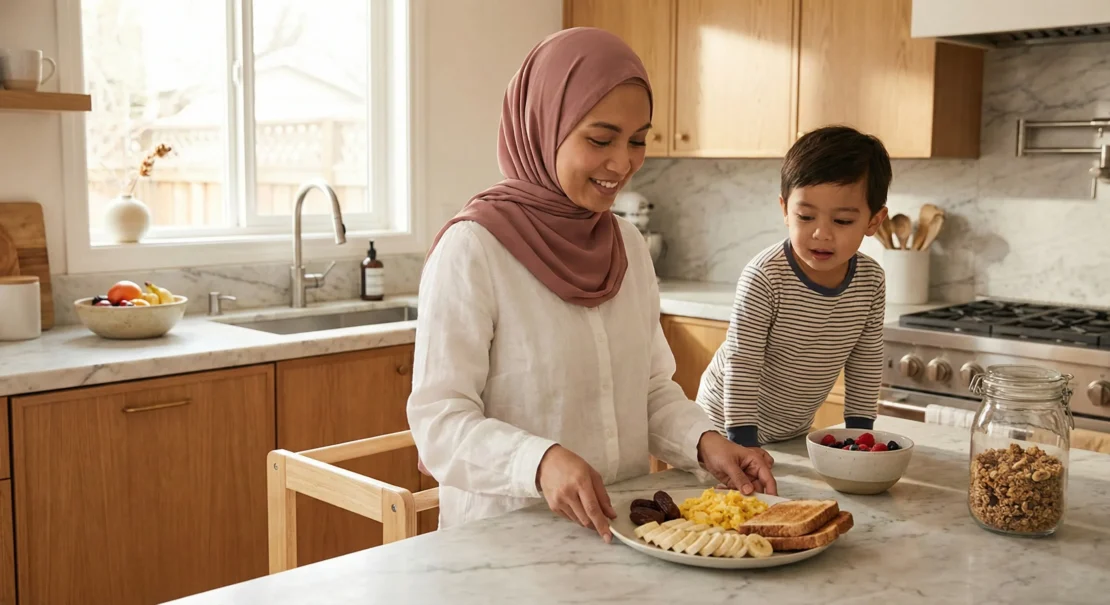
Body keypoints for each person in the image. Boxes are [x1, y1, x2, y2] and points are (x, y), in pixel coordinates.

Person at [406, 27, 777, 543]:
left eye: (638, 140)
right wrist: (540, 462)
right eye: (600, 139)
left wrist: (705, 442)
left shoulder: (627, 245)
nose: (623, 163)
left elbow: (648, 390)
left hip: (620, 536)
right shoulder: (473, 251)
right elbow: (438, 425)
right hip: (503, 553)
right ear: (543, 127)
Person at [696, 125, 891, 451]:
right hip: (721, 430)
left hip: (791, 432)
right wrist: (742, 443)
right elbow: (742, 364)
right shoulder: (765, 277)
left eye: (842, 221)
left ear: (874, 221)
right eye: (806, 217)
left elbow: (865, 362)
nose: (821, 234)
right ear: (786, 209)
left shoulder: (870, 281)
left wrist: (860, 439)